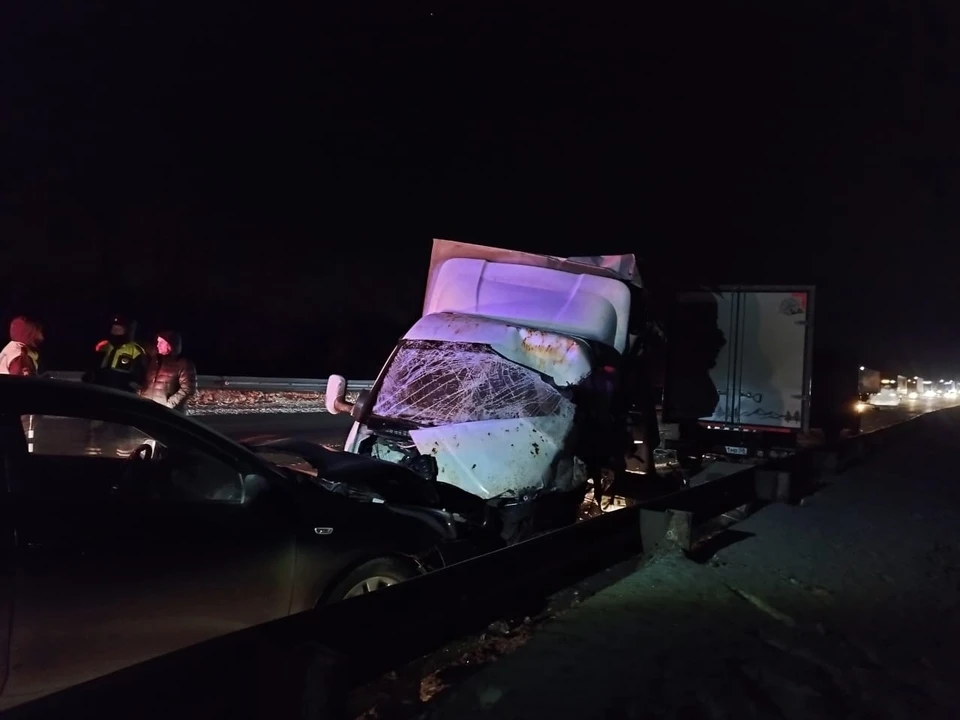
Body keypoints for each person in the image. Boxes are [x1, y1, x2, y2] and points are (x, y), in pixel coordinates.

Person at [83, 315, 147, 393]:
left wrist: (133, 386)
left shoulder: (136, 350)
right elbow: (92, 366)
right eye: (114, 328)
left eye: (119, 328)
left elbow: (140, 373)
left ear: (126, 330)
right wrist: (89, 377)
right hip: (100, 387)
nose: (116, 330)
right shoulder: (102, 346)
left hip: (121, 390)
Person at [140, 330, 197, 412]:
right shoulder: (154, 361)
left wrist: (170, 404)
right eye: (158, 342)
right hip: (149, 409)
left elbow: (189, 388)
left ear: (171, 345)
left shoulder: (183, 364)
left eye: (161, 343)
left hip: (168, 413)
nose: (158, 345)